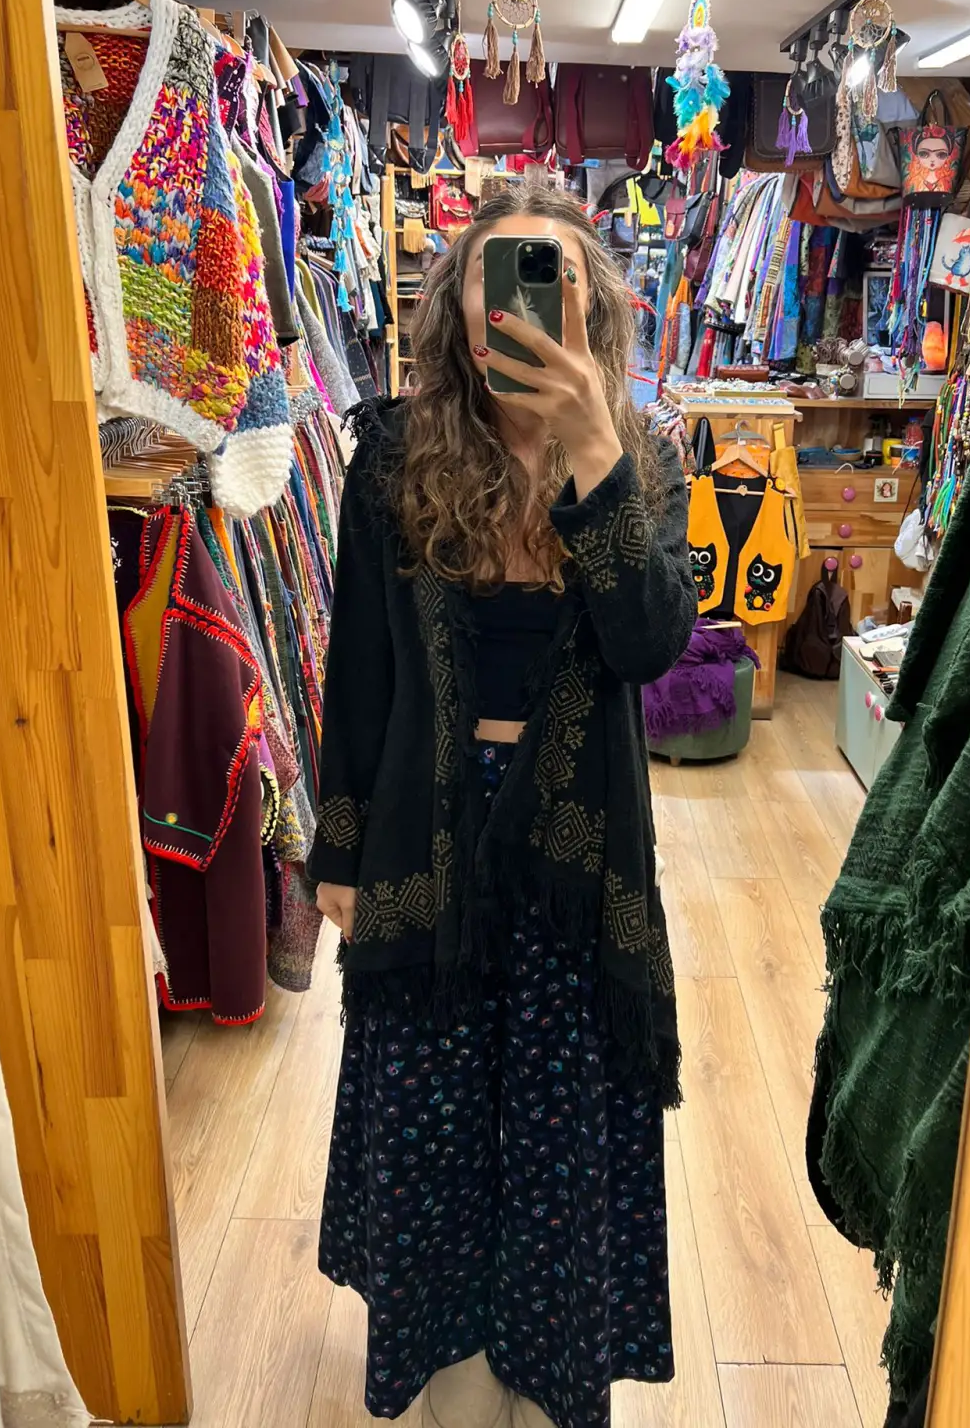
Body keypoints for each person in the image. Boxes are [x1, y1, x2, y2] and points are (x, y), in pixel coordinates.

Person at [310, 185, 697, 1428]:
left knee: (556, 1140)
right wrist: (338, 850)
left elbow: (650, 644)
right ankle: (454, 1385)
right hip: (426, 838)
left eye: (549, 277)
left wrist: (590, 446)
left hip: (575, 859)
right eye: (495, 279)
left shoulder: (645, 459)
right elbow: (358, 668)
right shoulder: (393, 453)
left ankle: (550, 1373)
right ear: (457, 307)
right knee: (430, 1134)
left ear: (591, 304)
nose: (517, 306)